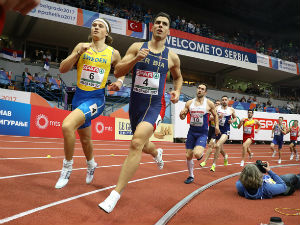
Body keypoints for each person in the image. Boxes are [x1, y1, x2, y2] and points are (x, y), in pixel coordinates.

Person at [98, 12, 183, 213]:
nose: (160, 26)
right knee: (143, 145)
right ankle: (156, 152)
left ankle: (115, 194)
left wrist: (177, 91)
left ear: (168, 31)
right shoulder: (137, 47)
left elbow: (178, 78)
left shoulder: (172, 57)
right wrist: (136, 59)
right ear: (152, 27)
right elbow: (118, 71)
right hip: (135, 105)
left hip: (155, 106)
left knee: (135, 142)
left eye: (164, 24)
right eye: (157, 23)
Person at [55, 18, 124, 189]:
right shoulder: (81, 46)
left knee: (67, 126)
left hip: (96, 99)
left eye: (100, 26)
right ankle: (91, 164)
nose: (96, 28)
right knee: (85, 140)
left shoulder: (113, 53)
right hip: (79, 98)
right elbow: (62, 69)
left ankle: (66, 168)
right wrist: (78, 54)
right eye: (94, 25)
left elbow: (121, 72)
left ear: (106, 33)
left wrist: (119, 83)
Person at [179, 84, 219, 184]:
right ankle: (191, 175)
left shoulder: (209, 103)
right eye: (199, 88)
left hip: (202, 133)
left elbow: (215, 115)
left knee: (196, 154)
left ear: (205, 92)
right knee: (188, 155)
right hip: (191, 132)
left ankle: (200, 155)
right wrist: (181, 114)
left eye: (202, 89)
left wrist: (217, 126)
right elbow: (182, 118)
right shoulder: (189, 103)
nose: (200, 90)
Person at [236, 162, 300, 199]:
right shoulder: (267, 188)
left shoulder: (240, 185)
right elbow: (283, 186)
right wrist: (269, 171)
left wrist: (254, 168)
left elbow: (244, 176)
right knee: (294, 177)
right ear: (257, 174)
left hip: (267, 180)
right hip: (277, 182)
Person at [206, 96, 237, 172]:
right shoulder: (217, 108)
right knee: (219, 148)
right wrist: (217, 116)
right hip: (218, 130)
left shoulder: (231, 109)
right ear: (221, 101)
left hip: (226, 131)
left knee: (217, 145)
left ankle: (213, 165)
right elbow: (210, 118)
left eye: (225, 100)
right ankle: (225, 156)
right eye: (222, 100)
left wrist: (232, 121)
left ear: (228, 101)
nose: (224, 101)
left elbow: (235, 118)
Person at [200, 100, 228, 168]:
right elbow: (209, 118)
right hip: (212, 130)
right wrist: (217, 116)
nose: (217, 105)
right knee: (213, 146)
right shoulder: (212, 111)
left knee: (217, 147)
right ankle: (205, 161)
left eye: (219, 104)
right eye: (216, 104)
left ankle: (224, 157)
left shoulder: (221, 112)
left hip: (219, 131)